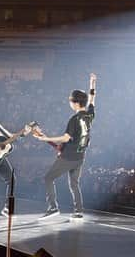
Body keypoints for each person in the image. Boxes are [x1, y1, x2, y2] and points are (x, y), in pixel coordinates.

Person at [35, 73, 97, 221]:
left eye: (70, 101)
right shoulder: (89, 115)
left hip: (68, 156)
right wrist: (92, 85)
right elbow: (93, 100)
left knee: (48, 178)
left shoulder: (74, 119)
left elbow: (65, 138)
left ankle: (53, 207)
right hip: (80, 156)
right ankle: (79, 211)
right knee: (74, 184)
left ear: (75, 103)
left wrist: (46, 138)